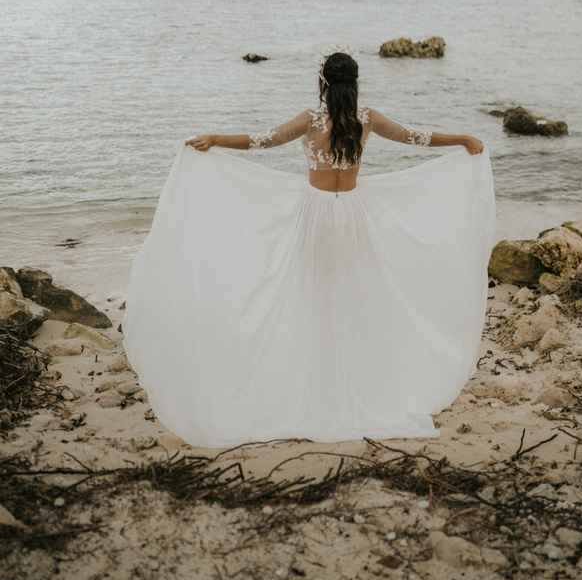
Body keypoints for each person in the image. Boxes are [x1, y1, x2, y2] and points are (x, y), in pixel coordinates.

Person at [123, 49, 495, 447]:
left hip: (315, 218)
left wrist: (216, 139)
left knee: (311, 295)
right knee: (352, 297)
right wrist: (462, 139)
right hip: (353, 216)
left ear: (323, 83)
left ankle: (312, 378)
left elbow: (262, 140)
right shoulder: (366, 118)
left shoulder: (312, 118)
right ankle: (355, 379)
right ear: (354, 84)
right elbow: (415, 137)